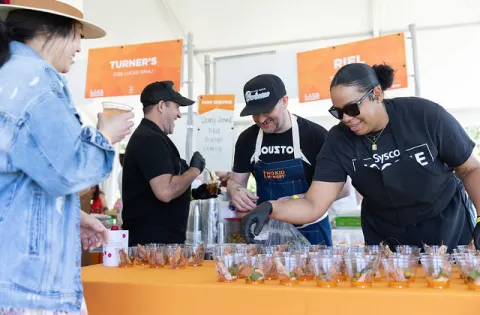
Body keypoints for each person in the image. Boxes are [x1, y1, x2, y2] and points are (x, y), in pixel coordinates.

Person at [242, 63, 480, 251]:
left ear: (376, 94)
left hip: (445, 223)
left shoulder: (426, 116)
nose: (345, 118)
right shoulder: (338, 140)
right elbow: (313, 204)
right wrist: (270, 208)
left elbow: (470, 168)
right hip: (385, 233)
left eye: (352, 108)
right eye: (337, 112)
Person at [0, 1, 134, 314]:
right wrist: (105, 136)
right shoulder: (34, 81)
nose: (78, 47)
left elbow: (27, 179)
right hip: (27, 288)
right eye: (76, 35)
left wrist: (73, 217)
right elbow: (69, 170)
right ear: (49, 28)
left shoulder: (12, 75)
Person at [228, 74, 350, 245]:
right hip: (267, 232)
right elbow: (235, 182)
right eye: (255, 113)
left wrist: (300, 200)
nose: (261, 119)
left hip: (311, 232)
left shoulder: (315, 136)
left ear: (284, 101)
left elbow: (343, 189)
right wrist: (235, 191)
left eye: (267, 110)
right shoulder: (247, 139)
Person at [122, 81, 206, 246]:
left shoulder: (153, 137)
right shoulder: (150, 139)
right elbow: (165, 191)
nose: (179, 115)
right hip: (152, 248)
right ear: (161, 106)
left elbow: (150, 192)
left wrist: (191, 193)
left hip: (158, 244)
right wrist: (194, 170)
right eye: (177, 107)